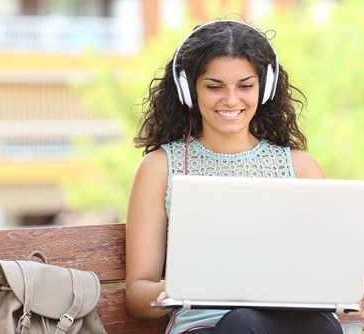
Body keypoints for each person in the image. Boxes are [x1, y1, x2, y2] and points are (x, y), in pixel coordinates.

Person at [125, 19, 343, 334]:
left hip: (289, 323)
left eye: (245, 85)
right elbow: (137, 294)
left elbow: (324, 270)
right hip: (205, 326)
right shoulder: (160, 169)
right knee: (243, 323)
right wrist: (190, 286)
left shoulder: (302, 169)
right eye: (214, 87)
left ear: (264, 88)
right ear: (188, 90)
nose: (230, 100)